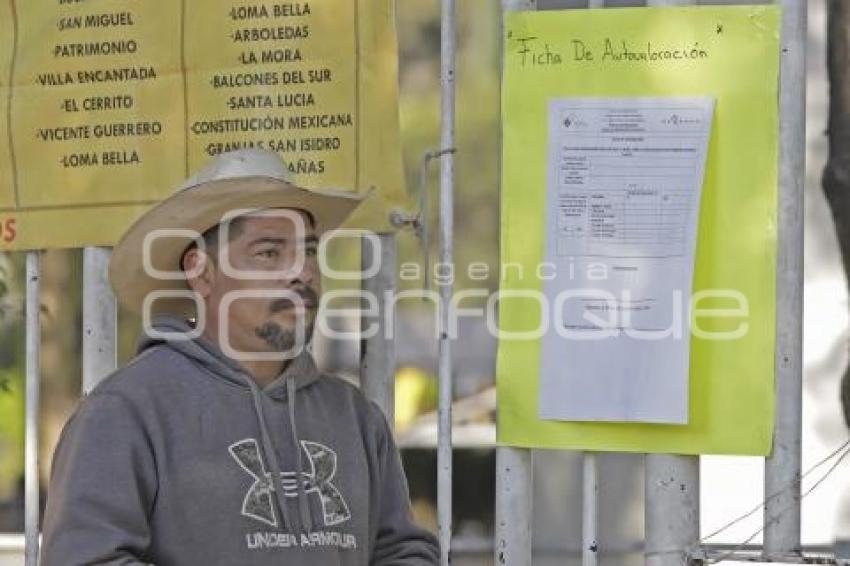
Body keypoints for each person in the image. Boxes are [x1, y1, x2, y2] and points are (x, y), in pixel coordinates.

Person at [41, 149, 440, 565]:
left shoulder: (353, 416)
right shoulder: (125, 412)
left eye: (308, 252)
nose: (301, 272)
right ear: (202, 272)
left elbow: (401, 550)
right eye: (269, 253)